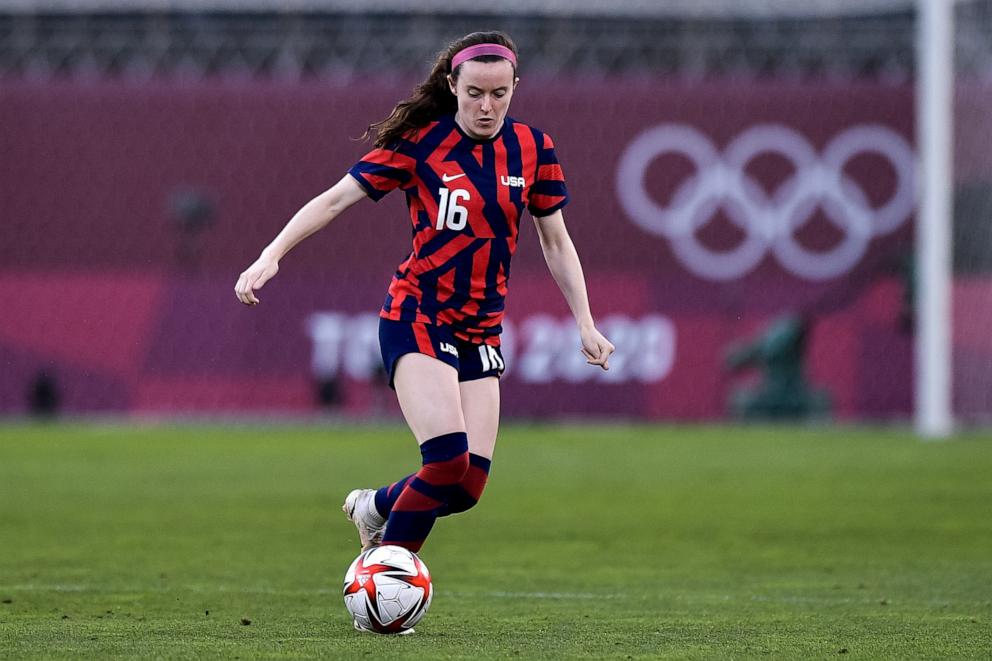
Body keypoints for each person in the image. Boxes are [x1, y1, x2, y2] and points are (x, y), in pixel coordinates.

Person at [235, 31, 615, 556]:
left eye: (500, 93)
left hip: (481, 328)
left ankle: (375, 507)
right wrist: (270, 255)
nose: (487, 105)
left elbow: (555, 240)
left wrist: (585, 322)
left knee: (466, 489)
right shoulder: (421, 142)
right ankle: (386, 581)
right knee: (445, 463)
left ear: (515, 88)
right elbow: (335, 200)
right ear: (452, 84)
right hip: (418, 315)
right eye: (475, 92)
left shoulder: (534, 148)